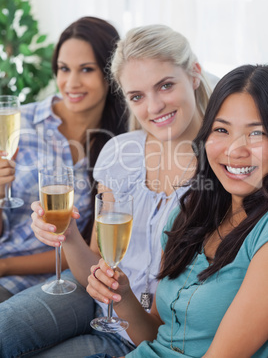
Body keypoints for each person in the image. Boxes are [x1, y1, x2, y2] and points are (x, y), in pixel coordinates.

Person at [0, 24, 212, 358]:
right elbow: (96, 265)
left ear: (194, 74)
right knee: (5, 328)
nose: (154, 107)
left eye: (166, 85)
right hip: (92, 299)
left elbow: (168, 324)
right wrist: (67, 232)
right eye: (137, 96)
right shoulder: (120, 153)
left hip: (139, 333)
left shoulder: (222, 171)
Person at [87, 64, 268, 358]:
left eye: (256, 133)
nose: (235, 150)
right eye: (222, 129)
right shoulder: (190, 212)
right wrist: (122, 295)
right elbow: (158, 333)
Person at [0, 16, 127, 302]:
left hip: (48, 283)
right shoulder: (20, 124)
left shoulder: (118, 147)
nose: (71, 83)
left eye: (86, 69)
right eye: (63, 69)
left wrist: (5, 266)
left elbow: (85, 249)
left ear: (111, 73)